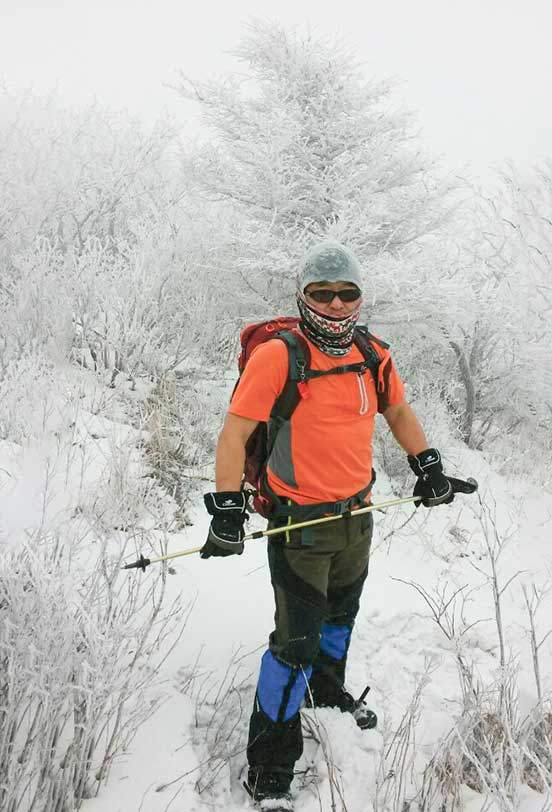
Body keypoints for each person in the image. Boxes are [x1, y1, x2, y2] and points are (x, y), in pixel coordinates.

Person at [201, 242, 457, 811]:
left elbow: (398, 413)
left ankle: (327, 690)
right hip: (299, 525)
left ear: (361, 297)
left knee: (340, 618)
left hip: (357, 516)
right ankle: (269, 765)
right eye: (323, 293)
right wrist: (226, 506)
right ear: (302, 296)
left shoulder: (372, 354)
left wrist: (428, 466)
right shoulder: (280, 357)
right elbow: (234, 433)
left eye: (348, 293)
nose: (337, 304)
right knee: (293, 644)